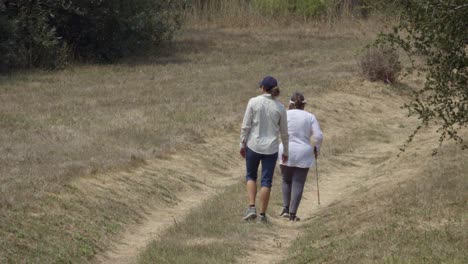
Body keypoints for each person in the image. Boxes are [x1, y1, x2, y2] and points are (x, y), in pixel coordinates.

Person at [240, 76, 289, 223]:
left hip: (253, 145)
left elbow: (246, 126)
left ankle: (251, 207)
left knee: (251, 176)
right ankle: (262, 215)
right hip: (271, 148)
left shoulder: (253, 102)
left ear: (262, 88)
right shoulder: (280, 107)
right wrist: (286, 151)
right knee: (266, 181)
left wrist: (242, 144)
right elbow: (284, 133)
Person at [278, 92, 323, 222]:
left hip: (285, 149)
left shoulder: (284, 114)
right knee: (298, 182)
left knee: (286, 180)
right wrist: (317, 148)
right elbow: (318, 136)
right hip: (303, 152)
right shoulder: (310, 116)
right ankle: (292, 214)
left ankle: (285, 208)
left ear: (290, 104)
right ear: (303, 104)